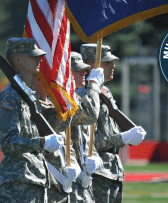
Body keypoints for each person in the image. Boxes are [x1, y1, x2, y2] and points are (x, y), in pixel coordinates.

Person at [0, 37, 64, 203]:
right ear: (18, 60)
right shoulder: (9, 98)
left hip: (35, 180)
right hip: (17, 184)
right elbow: (8, 142)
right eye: (33, 56)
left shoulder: (30, 97)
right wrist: (42, 142)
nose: (39, 59)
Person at [80, 43, 147, 203]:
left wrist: (130, 135)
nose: (113, 65)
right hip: (96, 171)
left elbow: (113, 125)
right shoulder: (83, 95)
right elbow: (87, 142)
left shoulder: (105, 92)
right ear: (91, 66)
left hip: (113, 169)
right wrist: (123, 138)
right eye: (107, 62)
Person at [69, 51, 105, 203]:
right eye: (77, 70)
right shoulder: (62, 100)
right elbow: (91, 114)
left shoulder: (77, 97)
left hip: (83, 182)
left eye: (84, 69)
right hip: (65, 180)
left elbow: (85, 137)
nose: (84, 72)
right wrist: (94, 85)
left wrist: (96, 159)